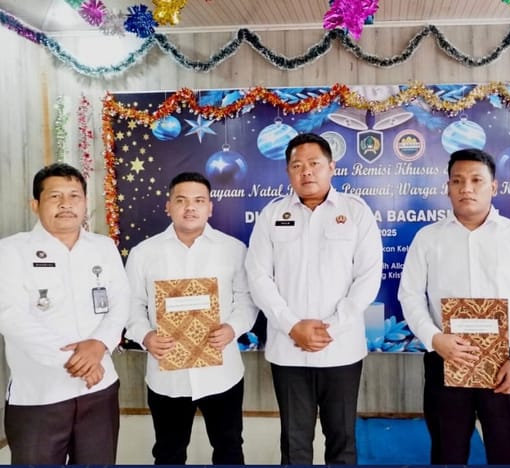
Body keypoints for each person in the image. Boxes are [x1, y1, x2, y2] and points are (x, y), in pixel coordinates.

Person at [398, 148, 510, 464]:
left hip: (505, 364)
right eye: (457, 181)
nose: (466, 188)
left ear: (493, 186)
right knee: (447, 452)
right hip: (445, 359)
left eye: (476, 180)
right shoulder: (428, 239)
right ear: (447, 187)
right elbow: (410, 296)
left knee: (509, 453)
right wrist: (434, 339)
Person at [245, 132, 383, 464]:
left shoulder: (356, 212)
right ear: (288, 171)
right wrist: (292, 325)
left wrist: (331, 327)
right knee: (294, 445)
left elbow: (368, 277)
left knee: (342, 441)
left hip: (341, 349)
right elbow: (258, 276)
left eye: (314, 163)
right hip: (288, 351)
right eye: (297, 165)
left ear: (331, 167)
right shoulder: (271, 215)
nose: (306, 171)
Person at [125, 172, 258, 465]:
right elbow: (131, 305)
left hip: (221, 374)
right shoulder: (144, 253)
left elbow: (247, 301)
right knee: (168, 453)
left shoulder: (233, 250)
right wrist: (146, 336)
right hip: (168, 378)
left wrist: (232, 328)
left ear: (210, 207)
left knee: (229, 450)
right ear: (168, 206)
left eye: (199, 201)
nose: (190, 208)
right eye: (181, 200)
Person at [0, 162, 129, 464]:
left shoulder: (103, 247)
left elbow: (120, 302)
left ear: (85, 203)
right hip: (40, 395)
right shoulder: (10, 251)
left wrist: (99, 345)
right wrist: (79, 361)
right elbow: (11, 317)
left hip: (99, 390)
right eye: (55, 196)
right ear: (35, 204)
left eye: (74, 196)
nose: (66, 204)